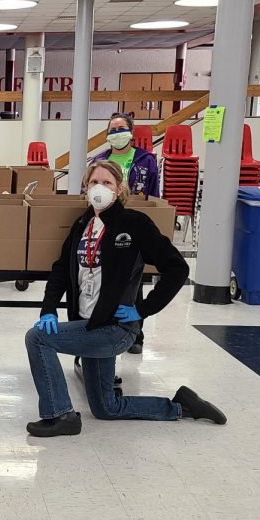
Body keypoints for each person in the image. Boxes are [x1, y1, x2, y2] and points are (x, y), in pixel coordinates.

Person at [24, 160, 226, 437]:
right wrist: (48, 309)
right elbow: (61, 269)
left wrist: (142, 309)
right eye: (94, 182)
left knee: (36, 338)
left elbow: (178, 268)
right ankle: (182, 406)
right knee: (107, 407)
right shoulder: (82, 224)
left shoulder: (134, 224)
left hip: (114, 328)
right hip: (88, 324)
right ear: (85, 187)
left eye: (107, 183)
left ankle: (61, 415)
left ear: (119, 189)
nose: (99, 188)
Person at [92, 112, 160, 354]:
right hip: (106, 223)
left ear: (130, 132)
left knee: (134, 281)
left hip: (134, 225)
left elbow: (153, 194)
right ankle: (102, 325)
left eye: (121, 128)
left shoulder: (145, 160)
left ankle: (135, 333)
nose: (117, 133)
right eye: (112, 129)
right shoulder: (100, 160)